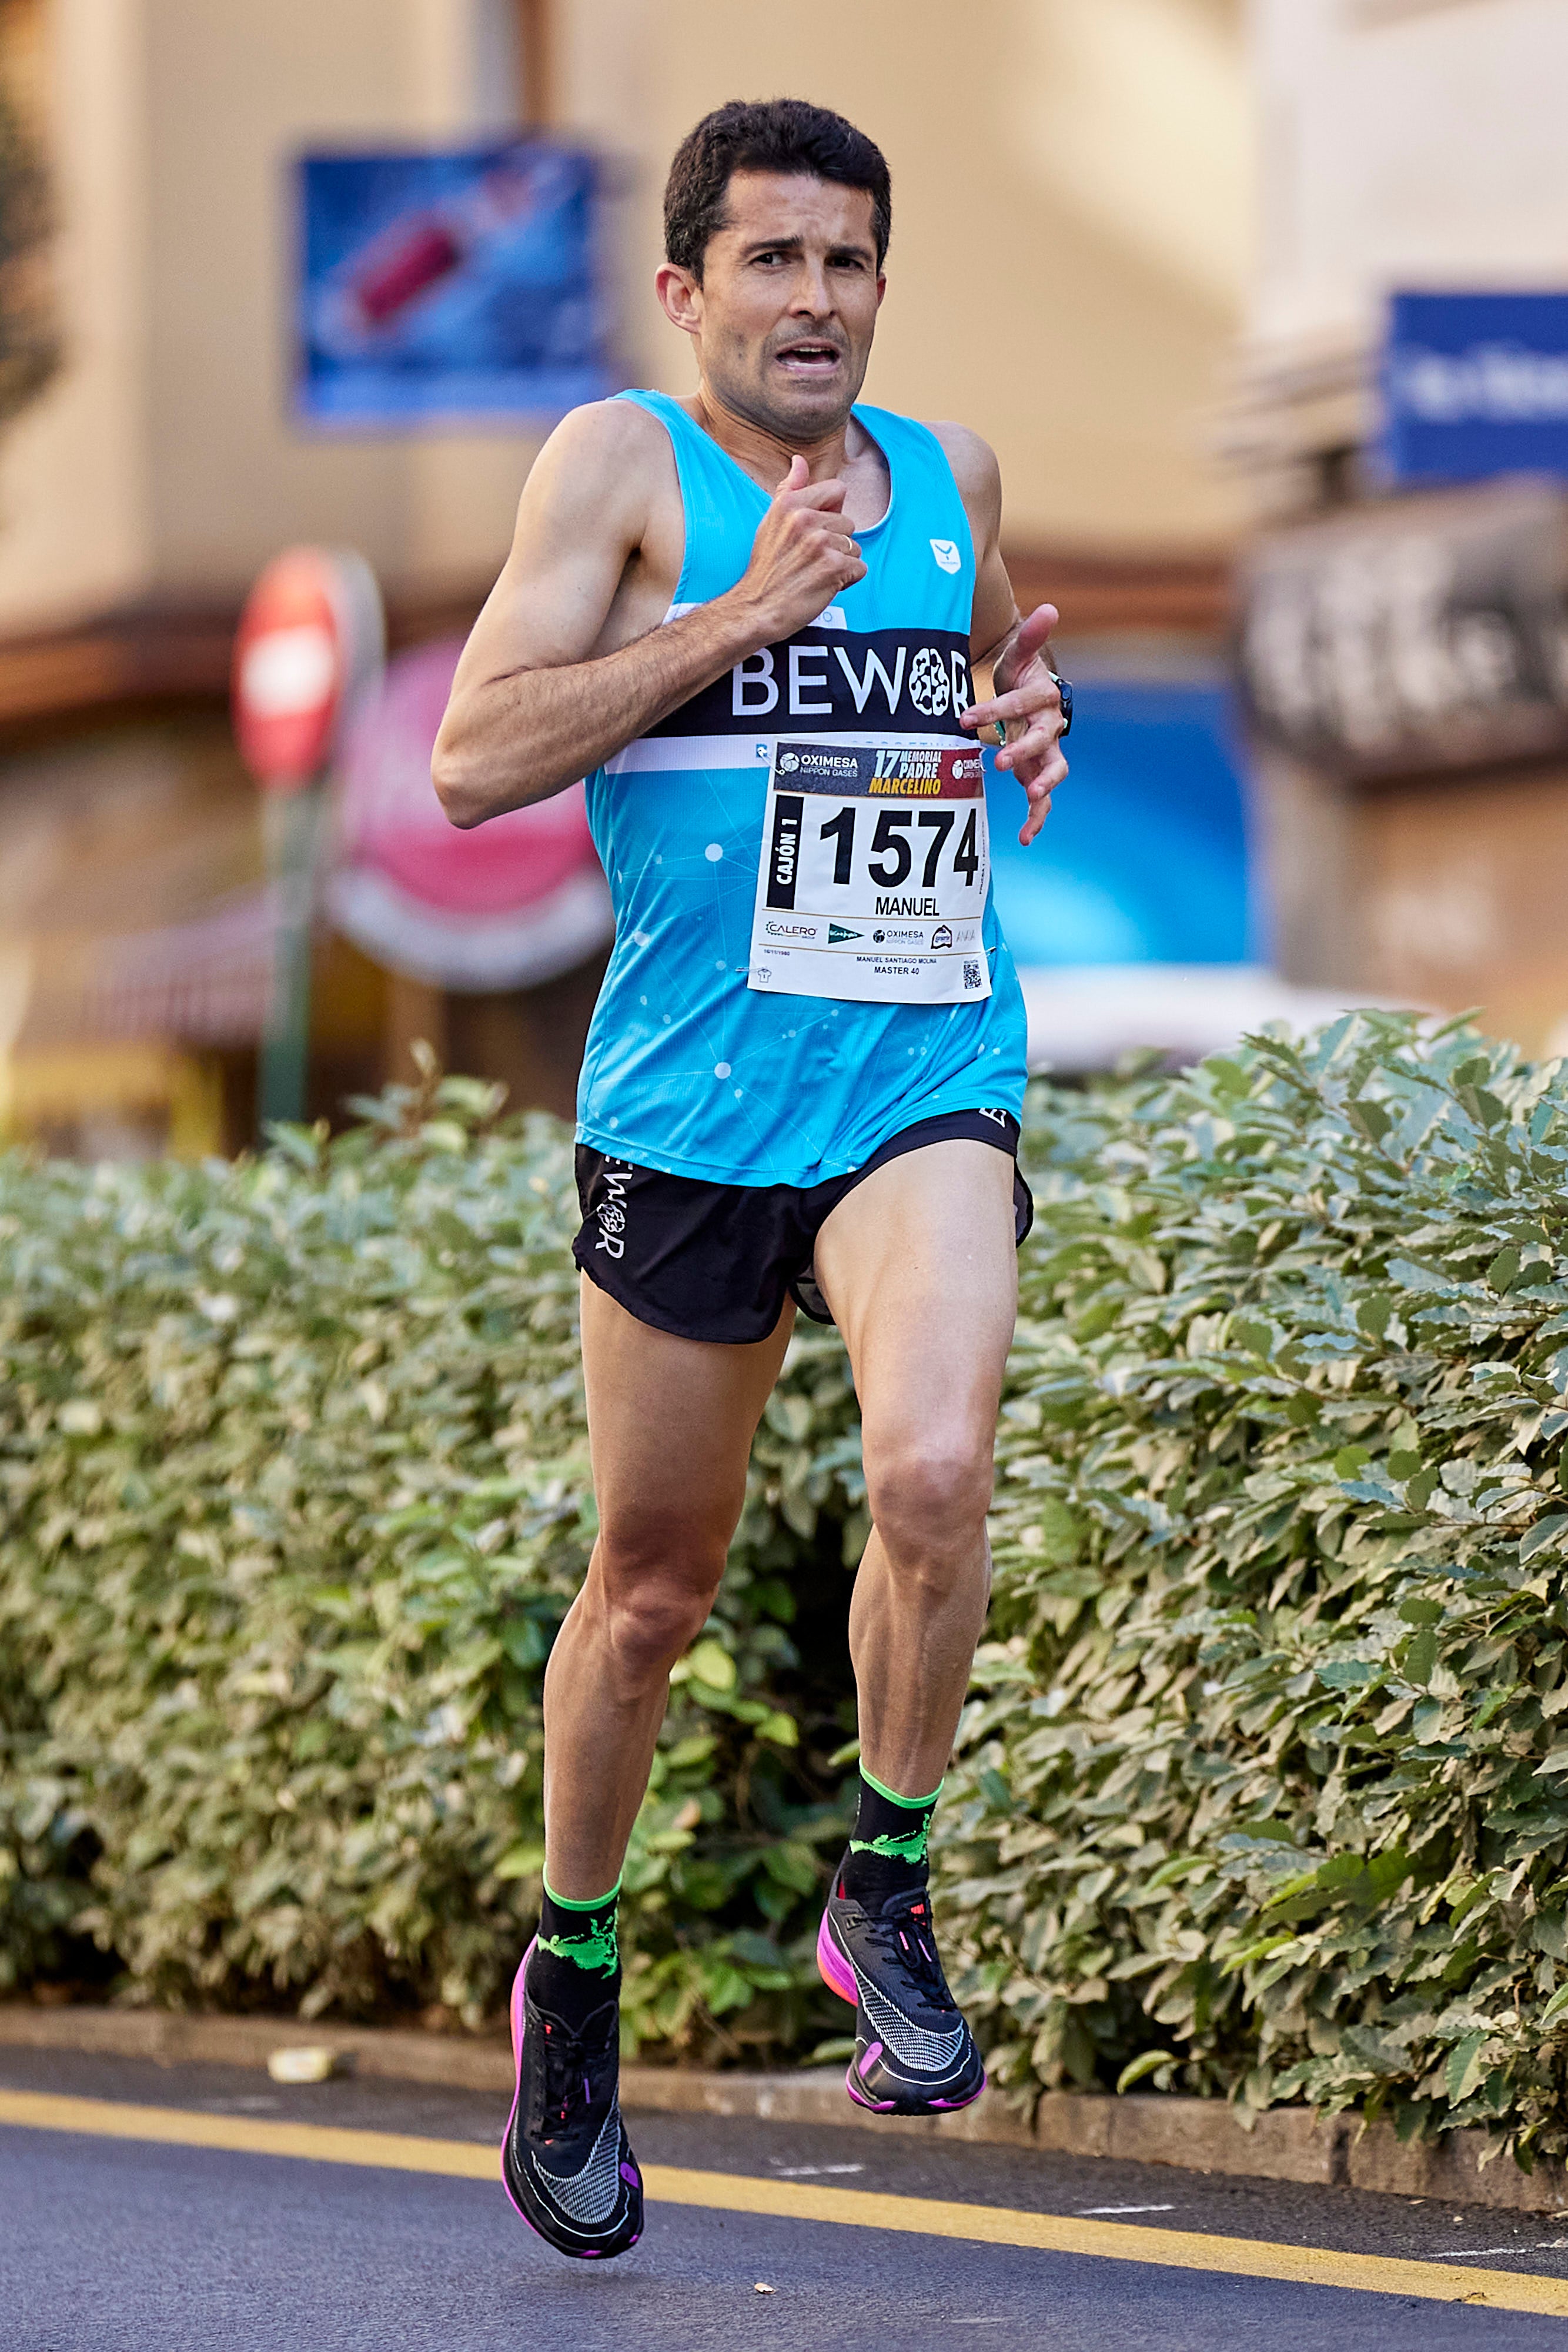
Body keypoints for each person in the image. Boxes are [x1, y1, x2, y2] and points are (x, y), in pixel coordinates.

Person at [433, 96, 1070, 2263]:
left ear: (883, 285)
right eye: (774, 262)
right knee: (649, 1595)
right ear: (688, 286)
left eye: (850, 262)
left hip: (917, 1071)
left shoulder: (949, 475)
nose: (817, 301)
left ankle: (880, 1876)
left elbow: (990, 653)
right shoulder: (622, 469)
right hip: (690, 1115)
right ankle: (576, 1972)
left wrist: (1027, 710)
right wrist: (735, 614)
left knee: (936, 1467)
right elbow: (473, 760)